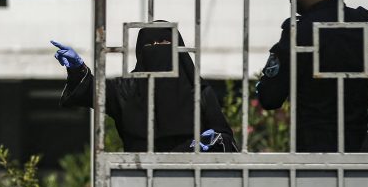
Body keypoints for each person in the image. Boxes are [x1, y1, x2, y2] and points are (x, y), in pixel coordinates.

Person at [257, 0, 368, 152]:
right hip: (360, 152)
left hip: (312, 156)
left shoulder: (299, 32)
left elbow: (269, 97)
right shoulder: (366, 26)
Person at [51, 26, 237, 152]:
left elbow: (226, 140)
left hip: (191, 181)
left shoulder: (199, 91)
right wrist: (77, 69)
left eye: (164, 44)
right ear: (141, 52)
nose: (158, 50)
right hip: (138, 178)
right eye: (151, 46)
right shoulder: (126, 90)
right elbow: (93, 91)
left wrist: (211, 141)